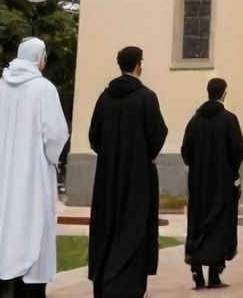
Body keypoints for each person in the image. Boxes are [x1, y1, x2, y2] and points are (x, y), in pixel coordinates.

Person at [0, 37, 69, 298]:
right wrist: (51, 159)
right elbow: (56, 135)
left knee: (3, 231)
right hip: (32, 175)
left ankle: (0, 282)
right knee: (31, 227)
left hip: (3, 177)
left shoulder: (0, 88)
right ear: (40, 59)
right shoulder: (44, 89)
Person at [88, 45, 168, 298]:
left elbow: (94, 137)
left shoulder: (104, 98)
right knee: (135, 227)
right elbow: (157, 135)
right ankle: (126, 284)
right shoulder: (146, 97)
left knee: (108, 226)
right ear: (137, 65)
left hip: (108, 176)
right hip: (137, 176)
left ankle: (105, 280)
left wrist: (112, 154)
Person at [180, 77, 243, 289]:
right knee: (219, 223)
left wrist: (197, 166)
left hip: (198, 182)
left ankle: (197, 271)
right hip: (222, 181)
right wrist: (231, 168)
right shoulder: (229, 119)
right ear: (224, 93)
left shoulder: (194, 121)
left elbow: (186, 151)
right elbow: (239, 148)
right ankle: (214, 274)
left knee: (198, 222)